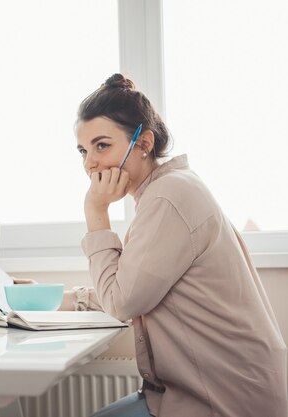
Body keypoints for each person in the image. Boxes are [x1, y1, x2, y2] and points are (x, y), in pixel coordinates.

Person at [61, 73, 287, 416]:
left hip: (225, 400)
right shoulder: (163, 192)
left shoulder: (168, 197)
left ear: (143, 143)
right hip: (199, 393)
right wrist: (62, 299)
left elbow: (122, 301)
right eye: (83, 150)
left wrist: (95, 212)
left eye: (102, 145)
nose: (89, 162)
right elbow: (134, 285)